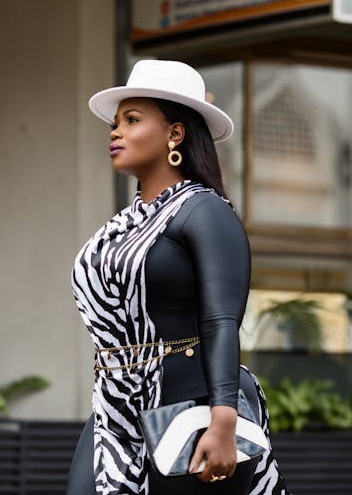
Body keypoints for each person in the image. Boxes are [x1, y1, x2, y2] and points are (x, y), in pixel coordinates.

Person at [67, 60, 289, 494]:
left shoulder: (204, 210)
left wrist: (223, 417)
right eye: (115, 123)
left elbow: (221, 321)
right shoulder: (124, 226)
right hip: (115, 407)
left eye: (132, 120)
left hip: (192, 405)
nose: (115, 132)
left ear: (175, 133)